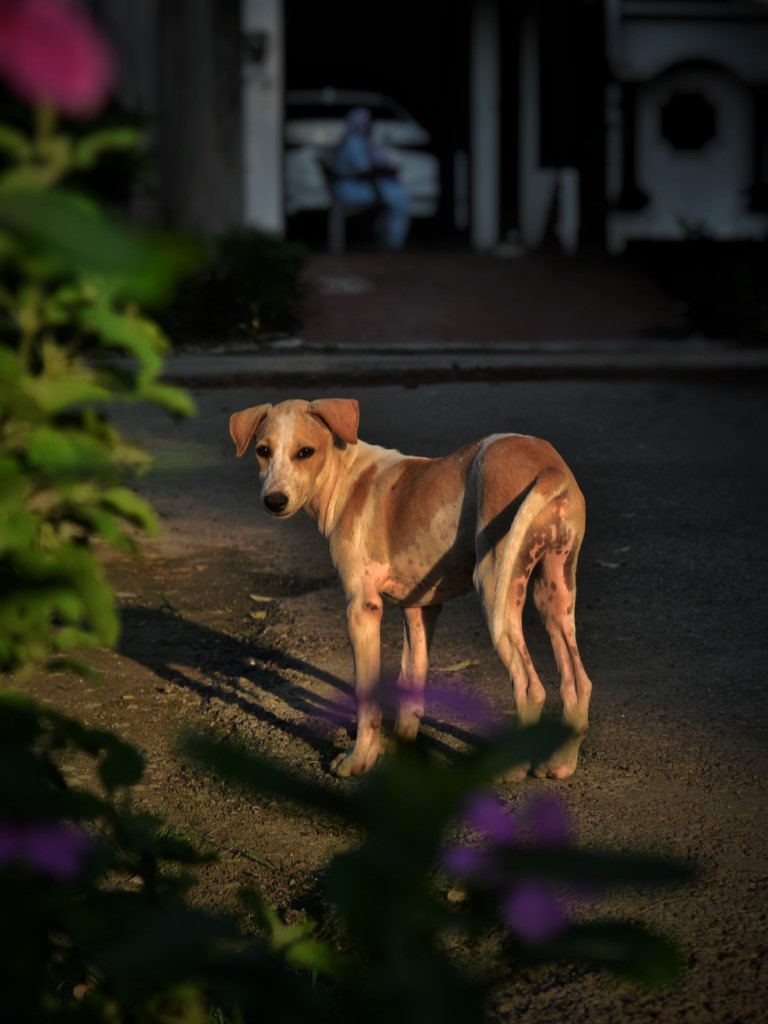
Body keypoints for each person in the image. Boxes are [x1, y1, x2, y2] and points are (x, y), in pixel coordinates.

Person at [331, 107, 411, 250]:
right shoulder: (353, 142)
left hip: (357, 186)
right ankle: (393, 244)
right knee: (400, 198)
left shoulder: (359, 141)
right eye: (369, 123)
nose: (371, 127)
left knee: (392, 197)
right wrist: (387, 171)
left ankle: (385, 240)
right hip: (350, 189)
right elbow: (364, 172)